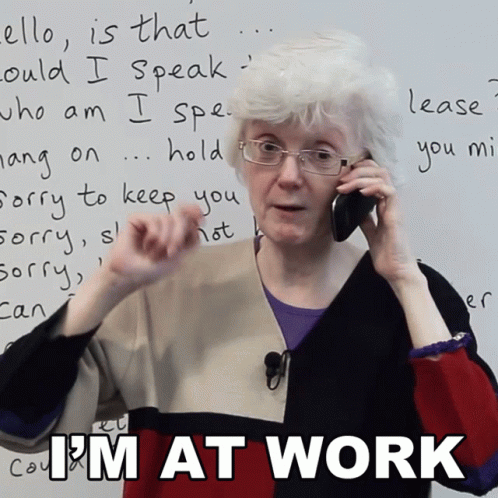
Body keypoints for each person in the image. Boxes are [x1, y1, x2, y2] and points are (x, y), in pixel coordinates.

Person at [1, 30, 498, 497]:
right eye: (268, 147)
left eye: (321, 153)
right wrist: (108, 284)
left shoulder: (415, 303)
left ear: (364, 173)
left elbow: (480, 465)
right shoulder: (164, 295)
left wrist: (406, 281)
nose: (288, 176)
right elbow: (15, 421)